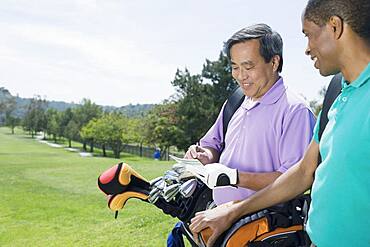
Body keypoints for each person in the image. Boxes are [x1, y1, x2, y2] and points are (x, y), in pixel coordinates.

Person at [189, 0, 370, 246]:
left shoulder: (296, 108)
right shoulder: (337, 93)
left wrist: (234, 179)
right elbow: (303, 172)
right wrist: (233, 210)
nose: (306, 49)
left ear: (335, 27)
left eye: (309, 35)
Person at [185, 24, 316, 206]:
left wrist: (234, 177)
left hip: (264, 228)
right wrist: (203, 155)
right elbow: (212, 144)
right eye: (235, 67)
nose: (240, 76)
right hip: (221, 220)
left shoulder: (295, 111)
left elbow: (293, 181)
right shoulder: (236, 101)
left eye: (248, 66)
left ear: (274, 62)